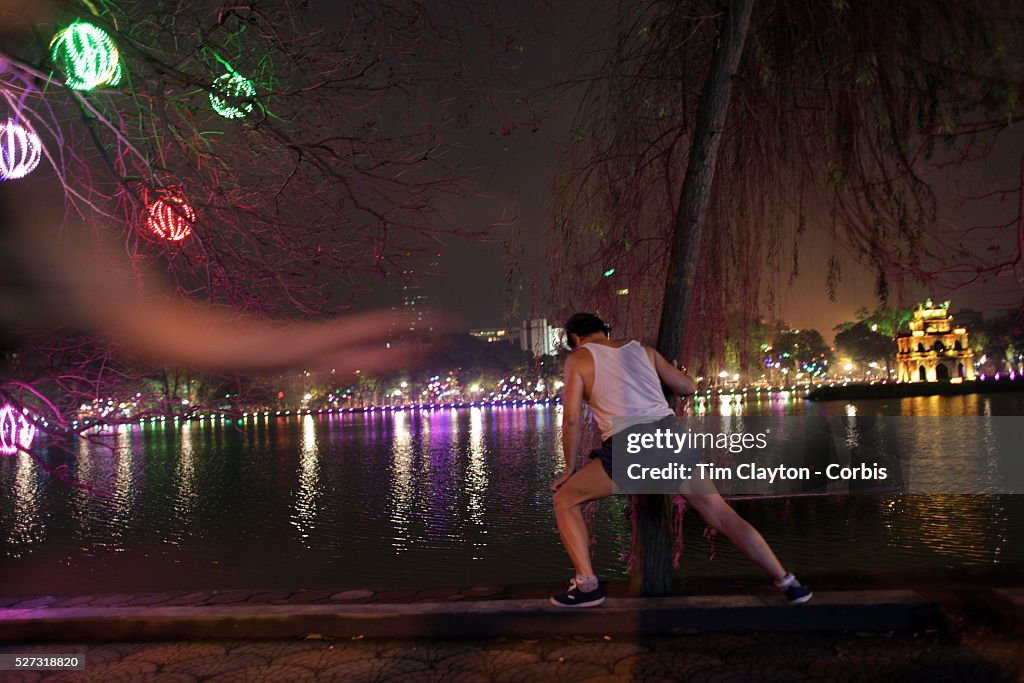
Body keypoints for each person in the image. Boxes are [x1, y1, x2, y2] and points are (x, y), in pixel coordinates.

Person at [549, 312, 811, 607]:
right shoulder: (642, 350)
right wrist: (675, 371)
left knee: (565, 501)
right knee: (722, 515)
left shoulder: (579, 358)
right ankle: (789, 583)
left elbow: (571, 419)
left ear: (574, 338)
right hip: (670, 437)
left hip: (632, 443)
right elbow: (688, 387)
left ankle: (587, 587)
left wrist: (569, 468)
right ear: (604, 331)